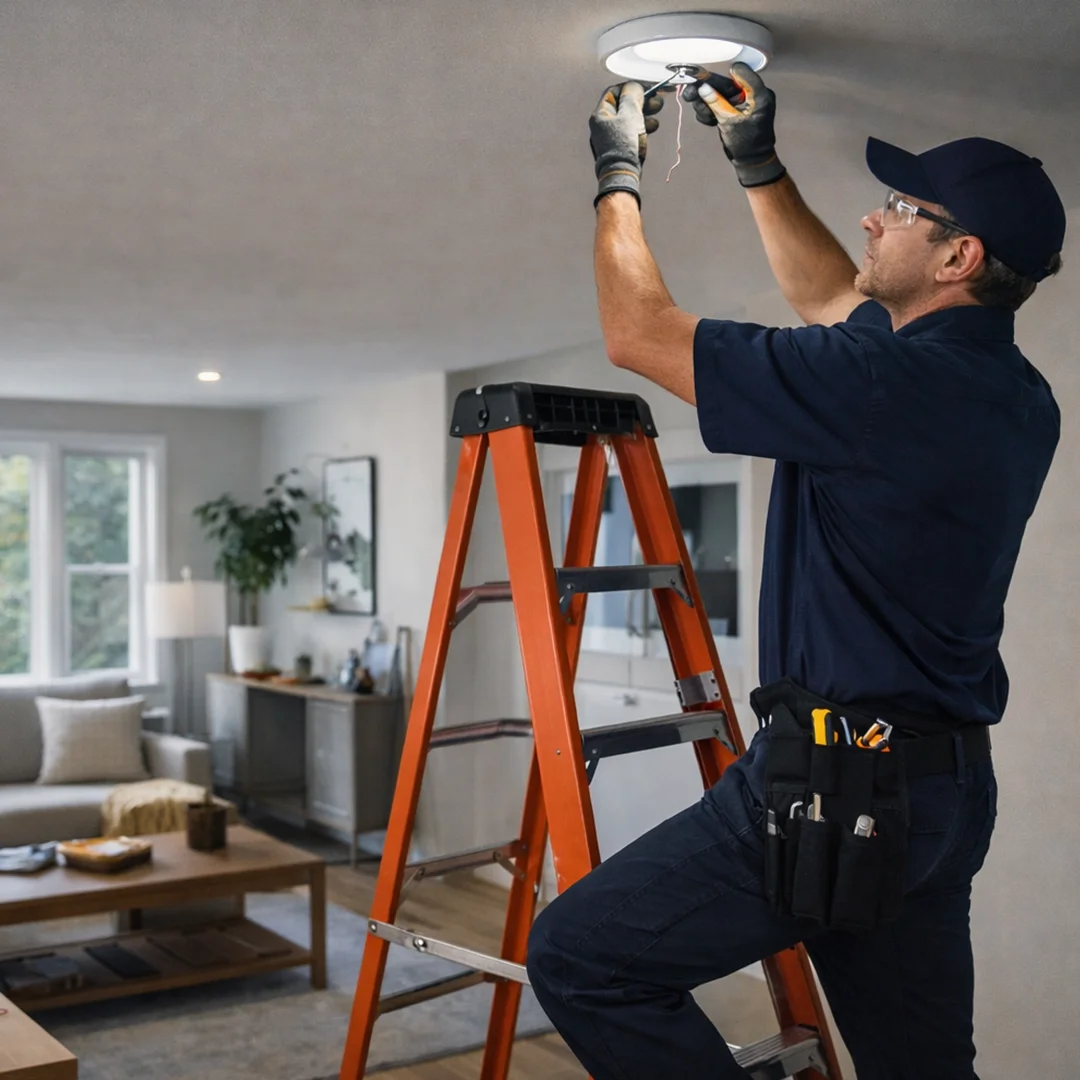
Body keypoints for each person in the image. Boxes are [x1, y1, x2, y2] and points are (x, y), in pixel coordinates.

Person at [525, 63, 1065, 1080]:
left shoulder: (884, 383)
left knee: (582, 956)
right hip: (940, 792)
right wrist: (756, 163)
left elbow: (637, 335)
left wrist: (616, 175)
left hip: (837, 780)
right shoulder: (1010, 391)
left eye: (902, 209)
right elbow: (829, 295)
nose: (872, 217)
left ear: (958, 255)